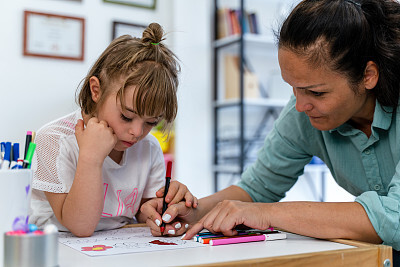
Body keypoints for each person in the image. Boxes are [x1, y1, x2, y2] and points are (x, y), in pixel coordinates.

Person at [141, 0, 400, 257]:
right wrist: (192, 211)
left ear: (368, 75)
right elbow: (256, 189)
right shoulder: (303, 112)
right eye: (293, 88)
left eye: (316, 92)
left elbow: (394, 217)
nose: (299, 106)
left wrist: (266, 213)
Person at [29, 23, 197, 237]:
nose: (137, 131)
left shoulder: (148, 147)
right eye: (126, 116)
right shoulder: (54, 139)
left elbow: (144, 211)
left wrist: (165, 213)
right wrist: (91, 158)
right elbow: (80, 227)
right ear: (96, 90)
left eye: (151, 122)